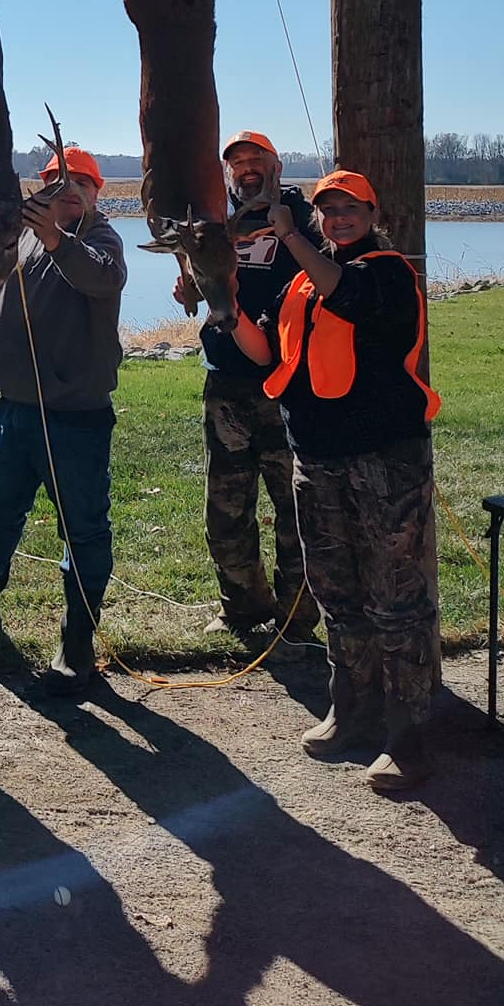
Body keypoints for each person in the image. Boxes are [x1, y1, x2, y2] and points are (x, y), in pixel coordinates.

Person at [230, 170, 440, 794]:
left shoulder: (388, 272)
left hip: (385, 461)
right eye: (330, 210)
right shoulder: (300, 283)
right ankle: (351, 709)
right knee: (336, 593)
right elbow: (265, 351)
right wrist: (223, 301)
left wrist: (292, 237)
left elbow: (346, 292)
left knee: (395, 598)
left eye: (350, 209)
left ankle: (410, 734)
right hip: (315, 459)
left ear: (373, 212)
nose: (339, 218)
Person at [0, 147, 126, 698]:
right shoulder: (23, 236)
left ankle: (77, 640)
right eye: (58, 183)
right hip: (12, 407)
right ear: (42, 191)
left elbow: (103, 279)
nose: (69, 192)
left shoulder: (102, 240)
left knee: (82, 528)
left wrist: (58, 241)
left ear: (96, 192)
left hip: (75, 417)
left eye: (80, 184)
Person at [191, 131, 319, 647]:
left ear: (276, 165)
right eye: (237, 162)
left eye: (255, 160)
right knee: (226, 509)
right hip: (226, 383)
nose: (245, 169)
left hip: (286, 387)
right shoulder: (219, 220)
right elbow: (211, 278)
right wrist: (192, 283)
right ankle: (242, 607)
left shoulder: (301, 220)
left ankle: (297, 620)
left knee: (296, 513)